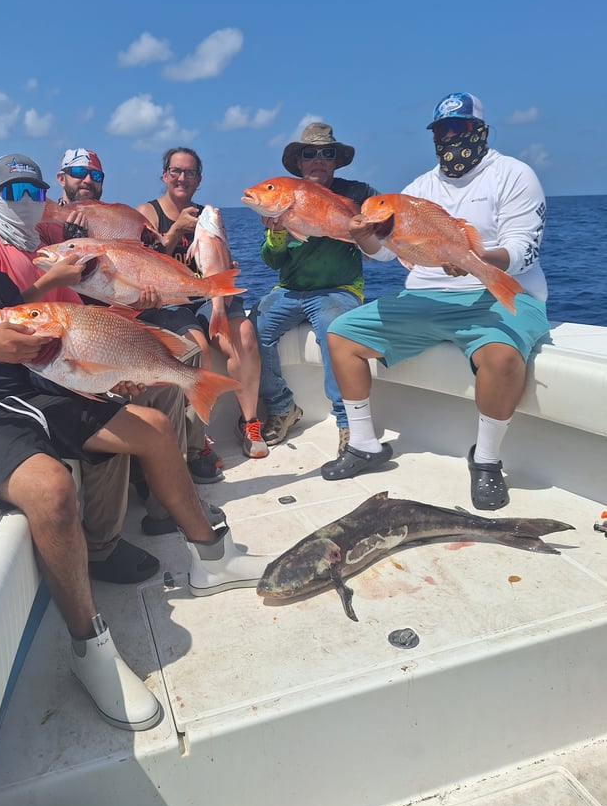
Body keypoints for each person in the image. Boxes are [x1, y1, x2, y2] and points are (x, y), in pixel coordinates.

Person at [0, 155, 272, 733]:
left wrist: (105, 377)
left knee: (151, 427)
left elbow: (35, 351)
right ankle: (89, 647)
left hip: (25, 398)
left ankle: (211, 557)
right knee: (50, 488)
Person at [323, 93, 549, 511]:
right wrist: (362, 235)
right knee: (340, 335)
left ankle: (485, 460)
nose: (449, 138)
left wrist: (475, 260)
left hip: (495, 292)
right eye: (441, 131)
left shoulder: (514, 175)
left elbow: (525, 249)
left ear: (479, 130)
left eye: (459, 129)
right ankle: (364, 444)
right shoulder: (417, 190)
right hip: (424, 295)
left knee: (501, 359)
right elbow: (387, 253)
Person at [0, 152, 190, 582]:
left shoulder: (47, 238)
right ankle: (102, 549)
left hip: (71, 349)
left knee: (167, 382)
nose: (28, 199)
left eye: (35, 191)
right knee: (111, 418)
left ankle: (165, 502)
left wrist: (127, 327)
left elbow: (79, 306)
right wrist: (51, 281)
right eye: (16, 191)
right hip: (33, 369)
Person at [37, 148, 208, 536]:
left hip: (110, 325)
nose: (86, 180)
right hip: (76, 338)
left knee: (187, 358)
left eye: (94, 175)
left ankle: (169, 490)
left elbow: (138, 268)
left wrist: (142, 296)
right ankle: (161, 485)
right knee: (163, 374)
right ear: (61, 178)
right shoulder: (49, 232)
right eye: (77, 173)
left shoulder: (116, 223)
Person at [250, 122, 379, 456]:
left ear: (336, 160)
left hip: (339, 289)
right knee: (252, 331)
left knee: (335, 330)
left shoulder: (359, 194)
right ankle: (282, 407)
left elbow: (382, 233)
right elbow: (270, 260)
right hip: (289, 290)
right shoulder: (281, 201)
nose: (318, 159)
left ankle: (347, 421)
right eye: (310, 153)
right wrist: (277, 232)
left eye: (327, 153)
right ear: (299, 162)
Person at [136, 147, 269, 464]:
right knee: (198, 348)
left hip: (210, 297)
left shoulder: (206, 216)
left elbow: (217, 260)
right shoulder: (149, 212)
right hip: (171, 302)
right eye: (176, 171)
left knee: (245, 335)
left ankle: (249, 423)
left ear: (199, 179)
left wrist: (226, 266)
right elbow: (141, 263)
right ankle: (196, 438)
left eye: (190, 172)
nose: (182, 177)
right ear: (164, 175)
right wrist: (176, 231)